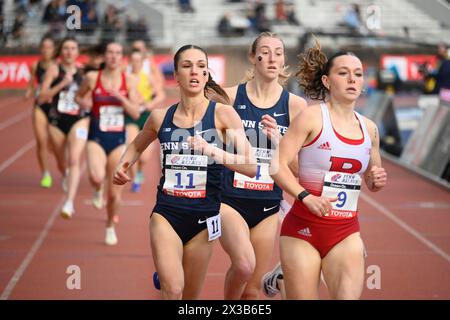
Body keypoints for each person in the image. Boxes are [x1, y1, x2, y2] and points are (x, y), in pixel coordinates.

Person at [113, 44, 257, 299]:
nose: (194, 72)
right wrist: (123, 166)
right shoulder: (160, 117)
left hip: (205, 217)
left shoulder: (224, 115)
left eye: (201, 67)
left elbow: (250, 165)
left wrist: (214, 152)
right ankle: (167, 277)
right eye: (187, 66)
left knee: (190, 296)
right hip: (167, 213)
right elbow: (136, 145)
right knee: (174, 289)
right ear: (176, 75)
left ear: (206, 75)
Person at [268, 41, 387, 299]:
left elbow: (371, 180)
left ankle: (282, 278)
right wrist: (305, 196)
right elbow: (276, 165)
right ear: (326, 80)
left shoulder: (370, 129)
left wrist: (376, 179)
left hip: (345, 232)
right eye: (343, 73)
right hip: (302, 229)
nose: (352, 79)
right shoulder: (312, 118)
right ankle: (282, 280)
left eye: (358, 74)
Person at [211, 32, 307, 300]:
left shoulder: (296, 106)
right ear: (253, 57)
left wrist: (280, 142)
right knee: (243, 265)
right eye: (265, 51)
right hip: (228, 200)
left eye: (279, 52)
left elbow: (300, 170)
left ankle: (271, 280)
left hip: (267, 203)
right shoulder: (228, 97)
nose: (273, 57)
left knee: (252, 292)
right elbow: (195, 117)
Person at [75, 42, 140, 245]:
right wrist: (84, 102)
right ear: (104, 56)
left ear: (122, 57)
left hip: (118, 140)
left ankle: (110, 225)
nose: (113, 56)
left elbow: (136, 113)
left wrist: (120, 97)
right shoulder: (93, 77)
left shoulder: (128, 80)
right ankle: (96, 189)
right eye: (110, 52)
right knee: (96, 175)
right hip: (96, 137)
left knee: (114, 195)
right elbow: (78, 96)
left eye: (118, 53)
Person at [38, 36, 89, 218]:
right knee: (62, 162)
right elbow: (42, 97)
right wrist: (61, 84)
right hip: (57, 120)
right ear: (61, 52)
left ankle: (69, 202)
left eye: (73, 48)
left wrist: (85, 102)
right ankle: (65, 173)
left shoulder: (84, 73)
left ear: (77, 52)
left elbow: (90, 99)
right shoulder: (54, 70)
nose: (69, 52)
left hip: (79, 119)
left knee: (75, 159)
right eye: (66, 48)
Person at [125, 49, 166, 192]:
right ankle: (135, 178)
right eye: (133, 61)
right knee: (132, 145)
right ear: (130, 61)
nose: (135, 63)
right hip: (131, 116)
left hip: (145, 116)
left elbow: (160, 95)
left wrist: (151, 103)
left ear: (142, 63)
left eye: (138, 61)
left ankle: (140, 169)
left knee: (144, 157)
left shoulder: (147, 77)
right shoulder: (125, 76)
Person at [25, 35, 56, 188]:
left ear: (54, 50)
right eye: (43, 47)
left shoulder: (57, 66)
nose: (46, 50)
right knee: (41, 141)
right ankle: (45, 173)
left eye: (49, 47)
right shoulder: (35, 65)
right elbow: (32, 83)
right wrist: (29, 91)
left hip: (56, 107)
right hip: (40, 105)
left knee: (54, 143)